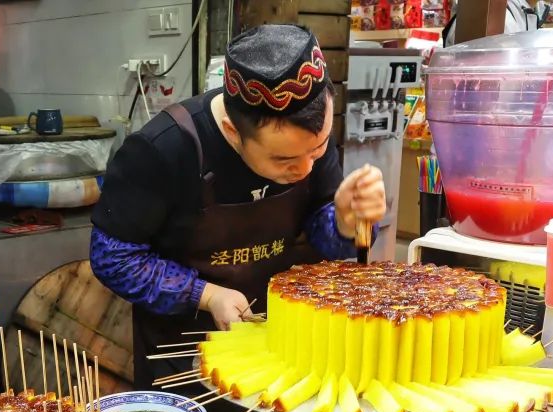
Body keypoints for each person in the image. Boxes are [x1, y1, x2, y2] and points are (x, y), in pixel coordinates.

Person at [90, 24, 387, 388]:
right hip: (189, 358)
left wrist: (344, 223)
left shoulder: (308, 140)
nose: (306, 168)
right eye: (284, 161)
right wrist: (206, 295)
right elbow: (114, 258)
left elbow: (322, 238)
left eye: (319, 148)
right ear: (233, 132)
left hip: (288, 352)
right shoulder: (163, 150)